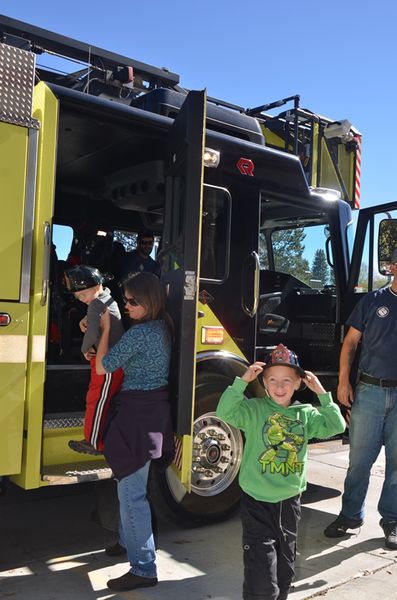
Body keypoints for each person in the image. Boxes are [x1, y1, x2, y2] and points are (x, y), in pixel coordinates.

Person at [216, 343, 345, 600]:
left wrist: (321, 392)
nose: (279, 386)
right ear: (263, 382)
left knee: (285, 568)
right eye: (272, 380)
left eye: (287, 380)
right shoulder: (254, 410)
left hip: (289, 503)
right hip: (256, 502)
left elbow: (336, 424)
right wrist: (242, 381)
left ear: (299, 383)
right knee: (261, 571)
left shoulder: (305, 415)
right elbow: (225, 412)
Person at [95, 271, 174, 592]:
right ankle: (127, 543)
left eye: (131, 301)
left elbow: (104, 366)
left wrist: (102, 331)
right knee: (130, 485)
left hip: (135, 416)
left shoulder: (140, 334)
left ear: (148, 301)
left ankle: (143, 567)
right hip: (152, 414)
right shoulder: (163, 328)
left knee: (131, 492)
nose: (125, 305)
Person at [323, 248, 397, 550]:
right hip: (369, 391)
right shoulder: (373, 302)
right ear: (393, 267)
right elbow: (351, 342)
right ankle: (350, 515)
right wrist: (343, 381)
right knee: (359, 462)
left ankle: (392, 519)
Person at [64, 265, 124, 454]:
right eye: (78, 297)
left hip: (108, 363)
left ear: (96, 286)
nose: (82, 300)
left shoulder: (96, 304)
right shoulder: (107, 296)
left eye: (83, 295)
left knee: (97, 401)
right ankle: (97, 439)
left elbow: (90, 334)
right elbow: (95, 316)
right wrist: (86, 317)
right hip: (113, 361)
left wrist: (84, 349)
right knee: (99, 399)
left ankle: (93, 442)